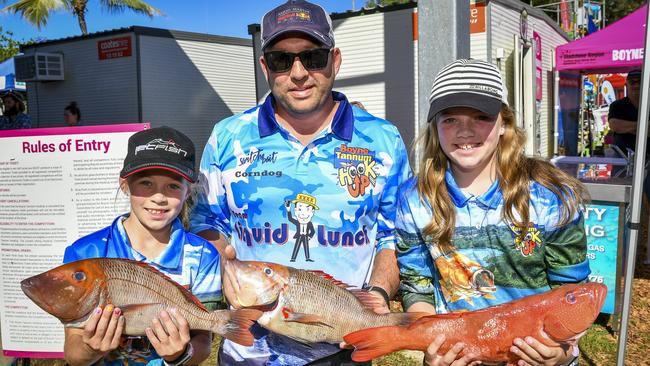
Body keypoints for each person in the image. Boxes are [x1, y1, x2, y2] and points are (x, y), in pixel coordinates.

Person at [190, 0, 410, 364]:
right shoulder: (228, 137)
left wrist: (376, 298)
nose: (298, 73)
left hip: (343, 351)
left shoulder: (382, 140)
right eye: (281, 59)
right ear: (265, 67)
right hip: (250, 354)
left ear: (334, 61)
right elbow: (208, 226)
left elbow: (395, 235)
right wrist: (226, 277)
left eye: (313, 57)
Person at [395, 59, 590, 366]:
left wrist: (563, 353)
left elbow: (573, 293)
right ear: (435, 127)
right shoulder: (414, 199)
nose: (465, 130)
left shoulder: (551, 196)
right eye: (450, 119)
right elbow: (417, 285)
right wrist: (433, 346)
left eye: (481, 116)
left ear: (505, 123)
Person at [62, 126, 222, 366]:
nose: (158, 197)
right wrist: (90, 348)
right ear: (124, 184)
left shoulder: (203, 255)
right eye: (146, 183)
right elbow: (73, 352)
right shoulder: (86, 254)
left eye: (173, 186)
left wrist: (178, 356)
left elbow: (202, 343)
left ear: (188, 190)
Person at [607, 69, 646, 156]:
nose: (636, 85)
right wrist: (643, 127)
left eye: (639, 82)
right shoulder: (617, 105)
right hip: (622, 158)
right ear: (626, 85)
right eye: (632, 82)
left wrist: (627, 127)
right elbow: (614, 125)